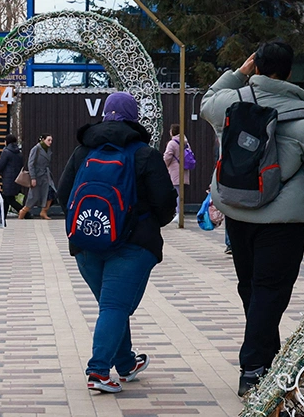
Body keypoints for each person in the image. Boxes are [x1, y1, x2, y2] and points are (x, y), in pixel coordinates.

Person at [200, 41, 304, 397]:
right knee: (269, 292)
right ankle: (253, 368)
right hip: (284, 223)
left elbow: (207, 101)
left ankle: (266, 359)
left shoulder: (232, 103)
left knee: (251, 288)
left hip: (238, 211)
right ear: (289, 72)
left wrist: (239, 73)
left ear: (255, 66)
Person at [56, 92, 176, 394]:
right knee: (115, 306)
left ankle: (125, 363)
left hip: (86, 242)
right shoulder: (144, 154)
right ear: (134, 117)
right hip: (132, 246)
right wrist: (144, 223)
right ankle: (98, 371)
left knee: (112, 305)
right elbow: (165, 203)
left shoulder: (83, 151)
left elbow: (63, 194)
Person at [20, 134, 53, 220]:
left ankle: (44, 211)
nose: (50, 142)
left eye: (51, 140)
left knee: (50, 193)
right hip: (37, 175)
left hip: (46, 176)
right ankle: (23, 211)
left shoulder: (48, 150)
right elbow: (31, 164)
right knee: (34, 196)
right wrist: (33, 177)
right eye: (48, 140)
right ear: (43, 140)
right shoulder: (36, 149)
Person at [0, 134, 23, 216]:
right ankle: (3, 216)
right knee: (6, 197)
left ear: (6, 141)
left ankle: (25, 212)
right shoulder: (19, 152)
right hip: (16, 178)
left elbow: (0, 165)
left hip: (8, 179)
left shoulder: (6, 152)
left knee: (9, 198)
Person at [162, 123, 191, 200]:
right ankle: (180, 207)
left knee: (176, 195)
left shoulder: (172, 143)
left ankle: (178, 208)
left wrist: (164, 166)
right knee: (181, 195)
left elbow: (167, 157)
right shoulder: (186, 143)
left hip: (175, 173)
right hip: (184, 171)